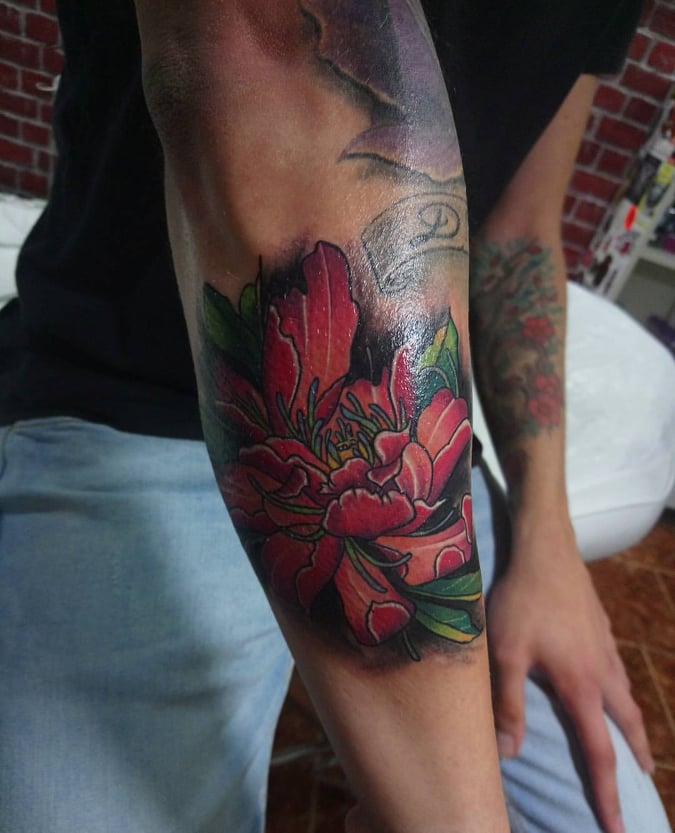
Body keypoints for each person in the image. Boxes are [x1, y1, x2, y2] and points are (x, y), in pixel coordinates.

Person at [0, 2, 670, 832]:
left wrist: (546, 538)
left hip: (426, 463)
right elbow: (270, 66)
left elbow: (519, 238)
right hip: (122, 404)